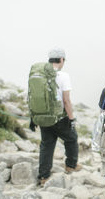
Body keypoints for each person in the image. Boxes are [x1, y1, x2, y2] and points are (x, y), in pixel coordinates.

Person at [30, 48, 82, 187]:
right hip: (59, 118)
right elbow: (66, 101)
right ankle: (71, 165)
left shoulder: (38, 74)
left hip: (43, 116)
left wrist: (33, 117)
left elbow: (33, 97)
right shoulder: (63, 76)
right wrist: (71, 119)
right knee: (72, 139)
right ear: (61, 60)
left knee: (47, 145)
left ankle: (43, 176)